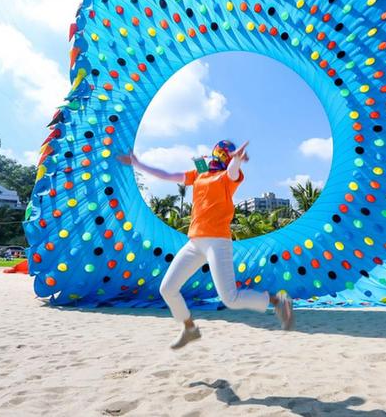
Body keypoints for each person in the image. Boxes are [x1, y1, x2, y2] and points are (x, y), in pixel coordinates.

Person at [119, 140, 294, 350]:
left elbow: (232, 170)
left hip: (217, 242)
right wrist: (138, 164)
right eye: (223, 152)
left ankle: (278, 302)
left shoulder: (228, 178)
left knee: (230, 299)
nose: (223, 156)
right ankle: (189, 328)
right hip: (195, 242)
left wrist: (237, 160)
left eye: (227, 154)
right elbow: (167, 175)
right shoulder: (198, 174)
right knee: (167, 288)